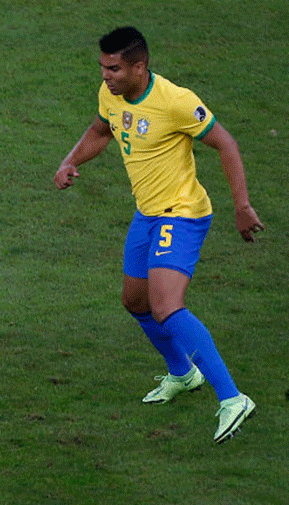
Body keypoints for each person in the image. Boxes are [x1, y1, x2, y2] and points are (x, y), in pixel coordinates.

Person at [54, 26, 263, 444]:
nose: (106, 75)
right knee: (135, 301)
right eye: (102, 67)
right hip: (148, 214)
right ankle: (184, 373)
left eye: (114, 68)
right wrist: (69, 161)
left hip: (182, 215)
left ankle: (233, 398)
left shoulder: (176, 101)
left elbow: (226, 144)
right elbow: (101, 131)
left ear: (139, 67)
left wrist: (241, 206)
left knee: (167, 305)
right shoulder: (110, 94)